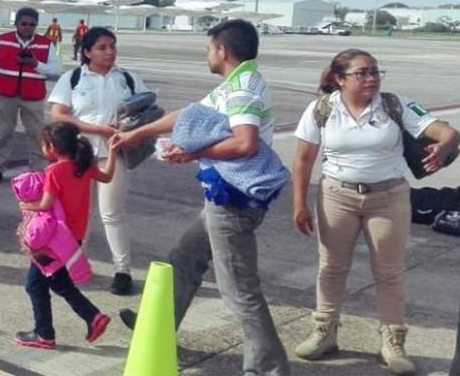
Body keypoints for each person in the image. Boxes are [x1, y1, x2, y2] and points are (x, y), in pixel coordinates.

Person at [114, 19, 291, 376]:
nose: (207, 54)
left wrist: (193, 153)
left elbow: (245, 142)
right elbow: (189, 114)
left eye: (209, 48)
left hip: (234, 200)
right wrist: (138, 134)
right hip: (222, 196)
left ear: (223, 51)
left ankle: (268, 369)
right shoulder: (234, 83)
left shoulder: (243, 90)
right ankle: (158, 327)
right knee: (185, 258)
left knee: (239, 290)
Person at [291, 48, 460, 375]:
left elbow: (447, 132)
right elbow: (302, 161)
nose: (371, 79)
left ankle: (392, 340)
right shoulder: (322, 109)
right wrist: (299, 203)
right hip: (336, 195)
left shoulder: (394, 104)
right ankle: (324, 332)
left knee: (389, 271)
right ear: (340, 79)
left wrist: (444, 145)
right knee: (331, 268)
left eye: (375, 72)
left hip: (389, 197)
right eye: (362, 73)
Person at [48, 27, 149, 295]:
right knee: (75, 214)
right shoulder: (73, 78)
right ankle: (73, 266)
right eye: (102, 47)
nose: (110, 52)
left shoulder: (127, 79)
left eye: (113, 46)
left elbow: (148, 111)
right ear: (87, 51)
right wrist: (95, 129)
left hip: (114, 154)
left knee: (112, 214)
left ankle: (122, 270)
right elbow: (58, 114)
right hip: (78, 155)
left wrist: (132, 132)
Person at [15, 121, 116, 349]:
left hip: (54, 240)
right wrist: (113, 150)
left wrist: (27, 205)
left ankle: (64, 327)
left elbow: (45, 204)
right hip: (75, 236)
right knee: (51, 283)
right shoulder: (84, 165)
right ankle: (53, 330)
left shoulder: (54, 171)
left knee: (38, 285)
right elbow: (107, 177)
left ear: (51, 147)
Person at [0, 7, 59, 184]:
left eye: (32, 24)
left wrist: (36, 64)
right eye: (23, 24)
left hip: (33, 95)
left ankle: (38, 170)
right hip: (6, 94)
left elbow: (55, 68)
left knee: (37, 134)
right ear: (16, 24)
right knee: (3, 132)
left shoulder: (45, 43)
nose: (27, 27)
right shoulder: (2, 40)